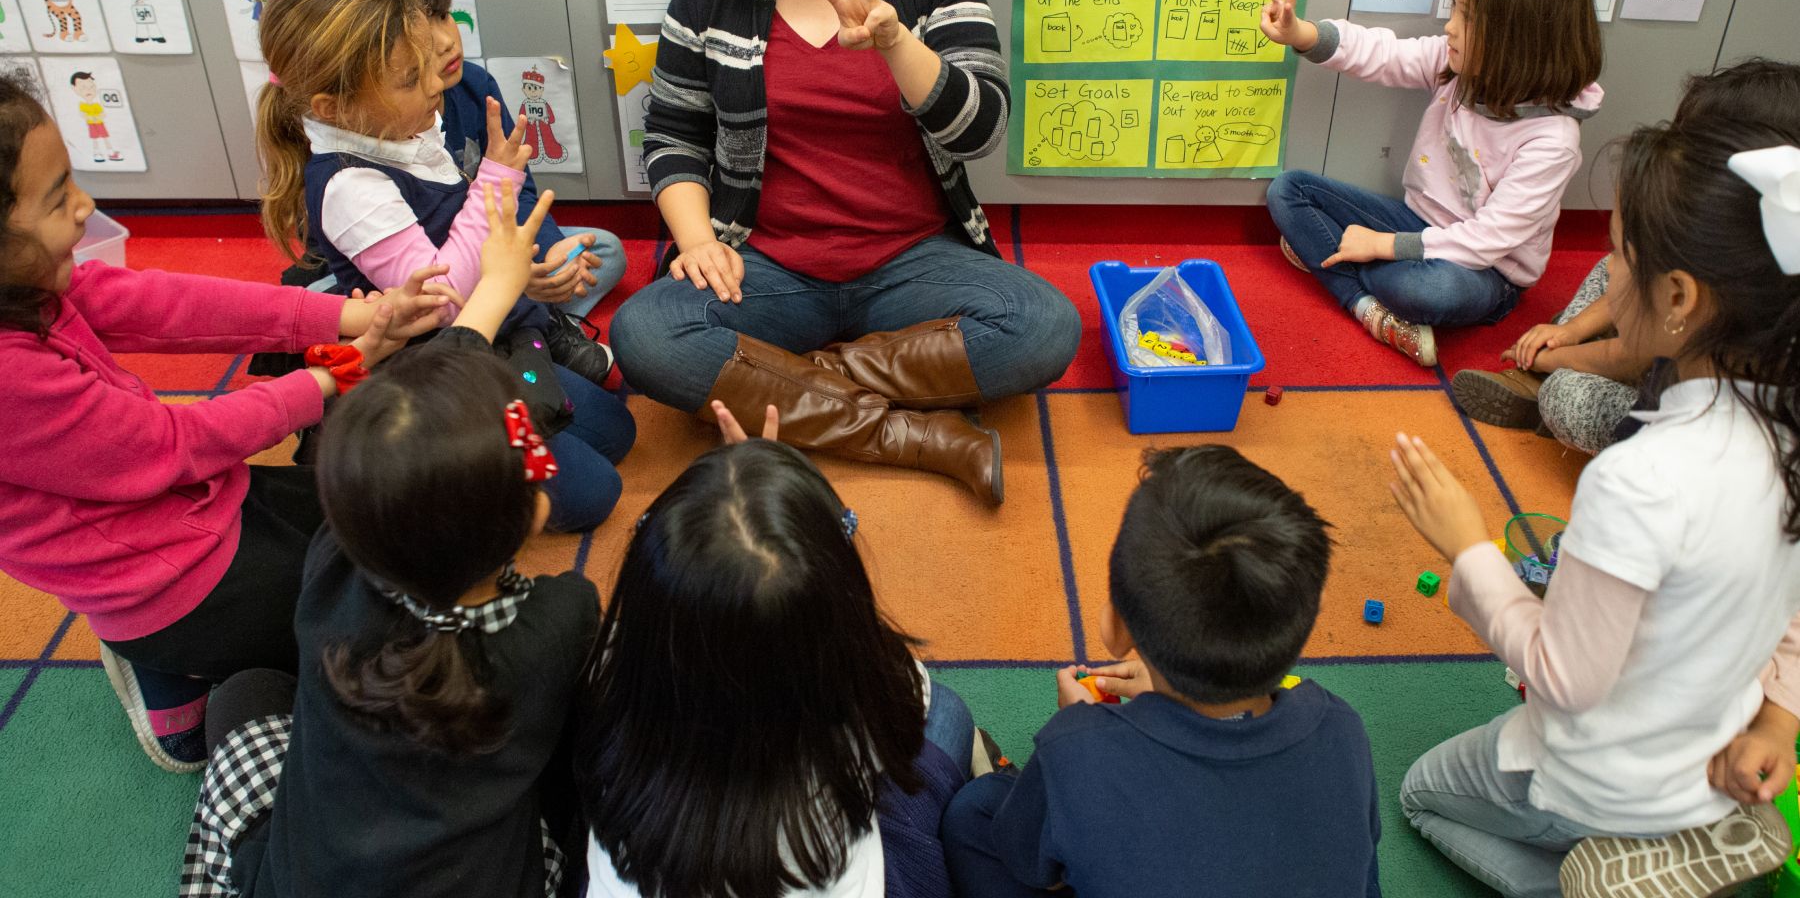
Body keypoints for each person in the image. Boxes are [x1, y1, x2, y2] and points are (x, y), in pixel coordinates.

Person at [609, 0, 1080, 504]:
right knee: (643, 336)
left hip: (910, 265)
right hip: (766, 267)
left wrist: (895, 42)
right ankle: (914, 431)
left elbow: (980, 129)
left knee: (1045, 326)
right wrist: (698, 242)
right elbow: (671, 132)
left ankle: (788, 387)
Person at [1389, 115, 1800, 898]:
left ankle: (1599, 879)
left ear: (1678, 297)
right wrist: (1779, 721)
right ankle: (1687, 839)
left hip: (1599, 782)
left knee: (1421, 795)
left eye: (1617, 255)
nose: (1604, 273)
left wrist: (1469, 550)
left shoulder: (1641, 478)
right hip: (1714, 758)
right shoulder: (1785, 436)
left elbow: (1563, 678)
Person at [0, 73, 447, 772]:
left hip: (207, 507)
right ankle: (168, 672)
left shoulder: (32, 288)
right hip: (167, 583)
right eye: (58, 200)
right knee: (388, 638)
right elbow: (173, 445)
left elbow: (172, 305)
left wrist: (350, 316)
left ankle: (180, 659)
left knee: (385, 528)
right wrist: (332, 374)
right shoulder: (8, 376)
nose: (86, 207)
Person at [183, 181, 599, 898]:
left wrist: (489, 296)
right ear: (533, 516)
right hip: (496, 874)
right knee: (585, 763)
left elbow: (416, 427)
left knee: (244, 694)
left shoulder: (331, 570)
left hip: (306, 880)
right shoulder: (562, 618)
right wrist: (500, 296)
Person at [254, 0, 634, 531]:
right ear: (334, 106)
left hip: (495, 332)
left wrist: (519, 244)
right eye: (411, 79)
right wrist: (495, 184)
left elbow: (490, 230)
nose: (436, 84)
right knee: (592, 496)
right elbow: (444, 301)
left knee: (618, 432)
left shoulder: (402, 121)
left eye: (425, 67)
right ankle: (425, 470)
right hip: (439, 371)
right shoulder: (349, 185)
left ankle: (539, 347)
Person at [941, 445, 1381, 897]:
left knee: (974, 813)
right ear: (1311, 615)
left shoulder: (1075, 748)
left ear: (1115, 625)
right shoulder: (1340, 725)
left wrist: (1078, 730)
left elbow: (1035, 870)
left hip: (1078, 784)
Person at [577, 435, 984, 898]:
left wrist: (743, 504)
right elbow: (907, 689)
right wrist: (778, 520)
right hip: (840, 870)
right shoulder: (859, 722)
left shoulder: (611, 673)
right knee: (948, 713)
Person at [1262, 0, 1604, 366]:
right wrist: (1303, 34)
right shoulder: (1454, 65)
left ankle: (1331, 256)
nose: (1449, 27)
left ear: (1520, 38)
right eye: (1456, 8)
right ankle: (1366, 306)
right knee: (1289, 190)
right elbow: (1384, 54)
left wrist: (1382, 246)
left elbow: (1488, 240)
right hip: (1417, 223)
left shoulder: (1552, 141)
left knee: (1428, 291)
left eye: (1469, 17)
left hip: (1485, 271)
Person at [324, 0, 626, 384]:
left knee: (602, 249)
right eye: (423, 35)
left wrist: (544, 250)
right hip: (434, 279)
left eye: (444, 16)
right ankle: (527, 314)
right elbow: (434, 282)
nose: (446, 41)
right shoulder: (365, 153)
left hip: (486, 252)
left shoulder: (474, 86)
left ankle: (531, 307)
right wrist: (519, 276)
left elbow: (517, 189)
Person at [1453, 57, 1800, 453]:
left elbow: (1633, 354)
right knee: (1618, 274)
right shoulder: (1765, 246)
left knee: (1567, 394)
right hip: (1667, 342)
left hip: (1667, 406)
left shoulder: (1718, 318)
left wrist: (1551, 359)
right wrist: (1572, 331)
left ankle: (1540, 384)